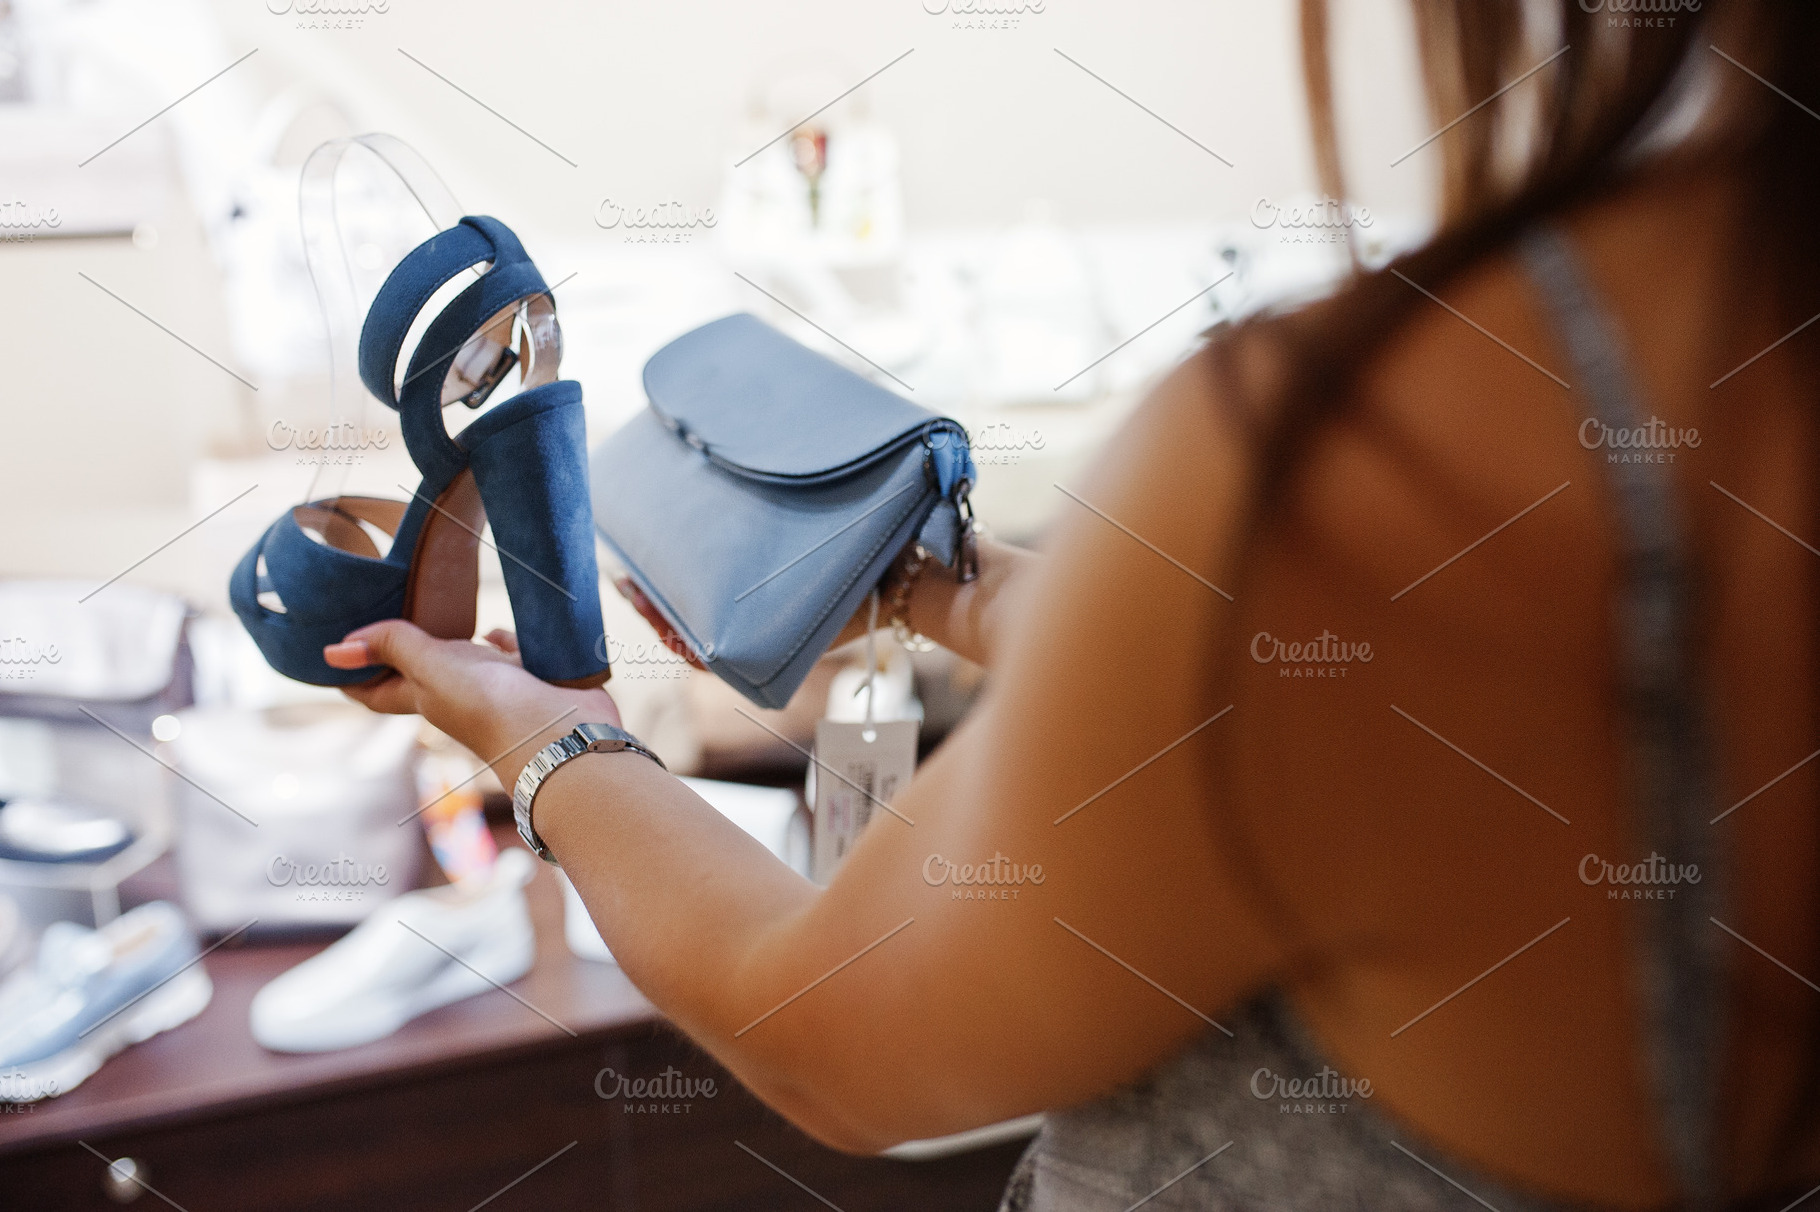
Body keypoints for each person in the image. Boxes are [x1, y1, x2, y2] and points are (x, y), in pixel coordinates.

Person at [322, 2, 1820, 1206]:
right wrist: (931, 591)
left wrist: (547, 739)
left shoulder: (1365, 465)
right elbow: (1318, 716)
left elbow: (823, 1033)